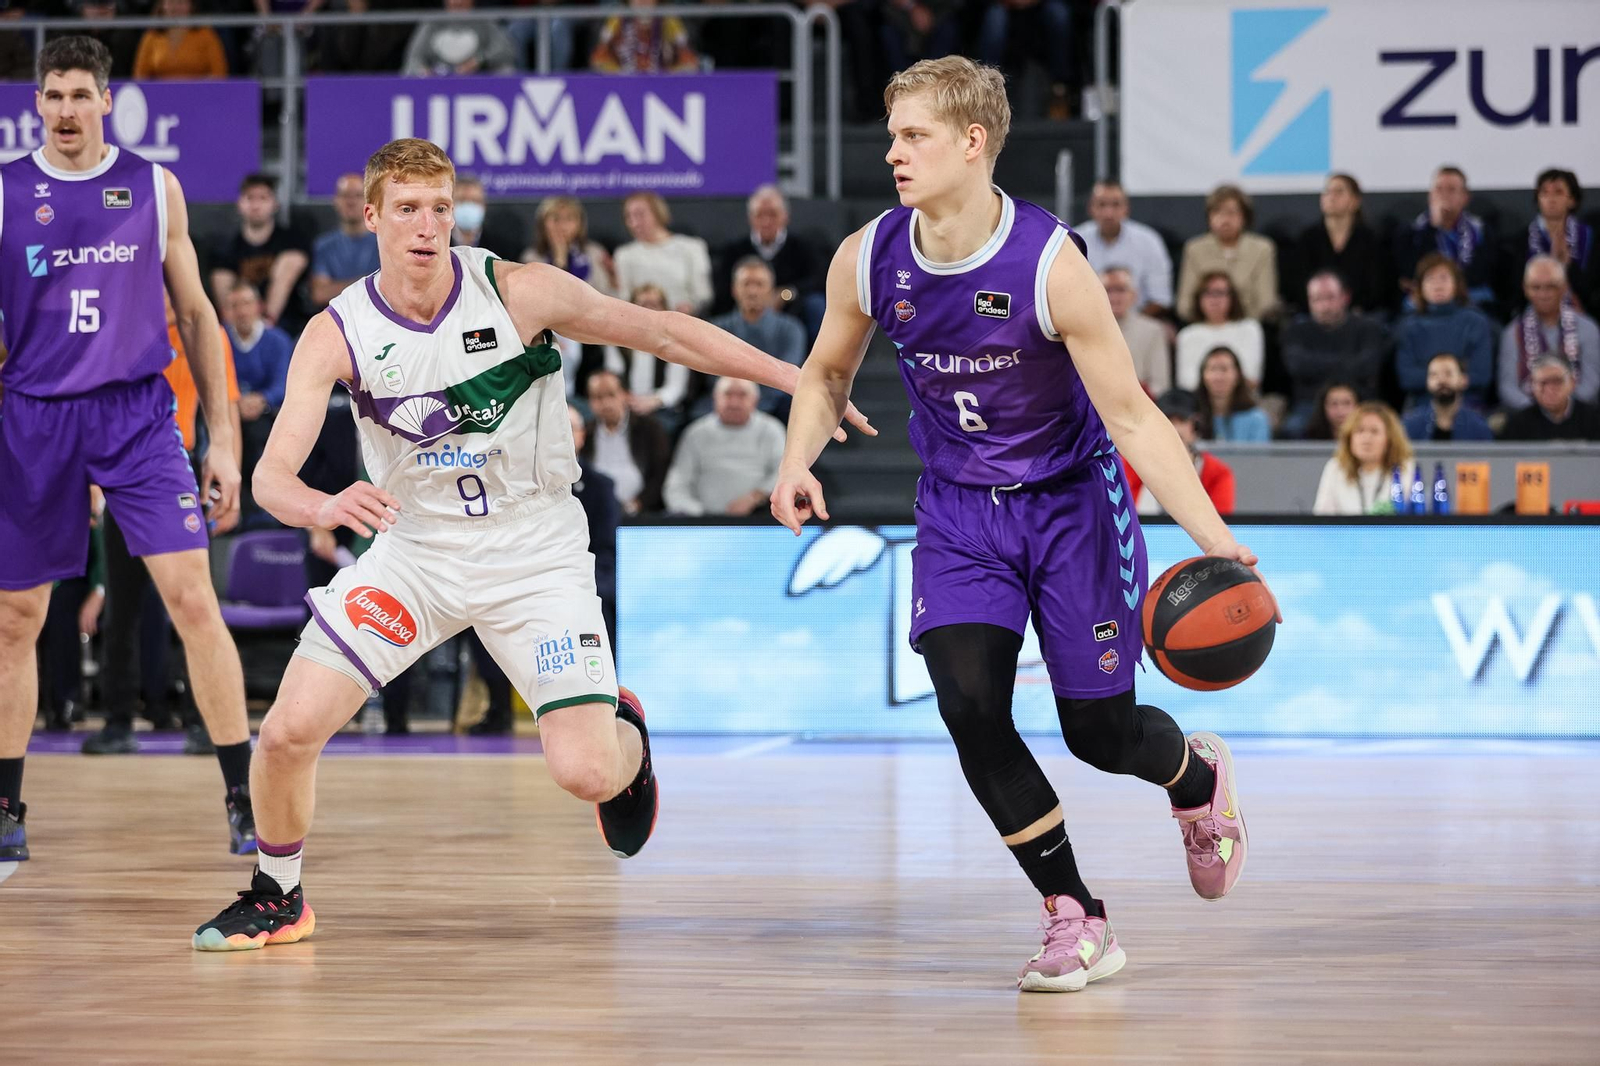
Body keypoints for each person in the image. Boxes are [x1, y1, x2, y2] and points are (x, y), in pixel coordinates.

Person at [190, 138, 871, 950]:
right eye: (406, 208)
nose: (426, 225)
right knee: (288, 731)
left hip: (534, 550)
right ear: (370, 217)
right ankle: (280, 894)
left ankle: (627, 735)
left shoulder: (516, 289)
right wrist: (322, 505)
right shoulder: (336, 332)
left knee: (584, 772)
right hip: (419, 554)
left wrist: (803, 380)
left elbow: (662, 332)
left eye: (441, 207)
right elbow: (271, 480)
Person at [770, 57, 1271, 994]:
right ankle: (1073, 914)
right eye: (891, 135)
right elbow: (826, 374)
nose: (893, 154)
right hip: (959, 514)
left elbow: (1131, 417)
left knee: (1100, 736)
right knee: (968, 707)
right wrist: (797, 458)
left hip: (1072, 506)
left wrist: (1212, 537)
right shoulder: (868, 255)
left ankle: (1197, 784)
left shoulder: (1050, 265)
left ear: (973, 142)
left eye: (913, 135)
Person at [0, 37, 255, 866]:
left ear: (107, 101)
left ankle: (244, 796)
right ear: (35, 105)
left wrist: (224, 438)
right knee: (17, 618)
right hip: (33, 413)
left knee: (191, 598)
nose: (66, 110)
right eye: (52, 96)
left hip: (137, 414)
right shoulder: (6, 194)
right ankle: (6, 809)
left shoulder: (153, 185)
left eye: (81, 95)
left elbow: (198, 318)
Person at [1278, 270, 1391, 433]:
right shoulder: (1295, 331)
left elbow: (1369, 367)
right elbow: (1297, 366)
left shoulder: (1368, 328)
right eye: (1316, 299)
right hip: (1310, 404)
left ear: (1345, 297)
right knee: (1293, 429)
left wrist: (1317, 365)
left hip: (1361, 402)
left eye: (1330, 297)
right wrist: (1349, 362)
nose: (1324, 306)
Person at [664, 377, 786, 516]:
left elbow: (783, 473)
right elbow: (677, 484)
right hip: (703, 522)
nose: (734, 403)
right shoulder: (696, 433)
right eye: (728, 394)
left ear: (755, 400)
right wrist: (698, 514)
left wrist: (755, 497)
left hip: (758, 520)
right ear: (715, 398)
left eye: (742, 395)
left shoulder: (771, 430)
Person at [210, 173, 312, 335]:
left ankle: (266, 325)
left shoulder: (293, 240)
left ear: (275, 203)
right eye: (250, 198)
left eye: (263, 198)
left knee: (288, 263)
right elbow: (224, 293)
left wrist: (265, 324)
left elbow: (287, 276)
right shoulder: (226, 248)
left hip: (285, 326)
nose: (256, 205)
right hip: (238, 330)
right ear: (240, 204)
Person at [1497, 255, 1600, 412]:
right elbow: (1508, 388)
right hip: (1528, 418)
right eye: (1536, 287)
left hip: (1578, 417)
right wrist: (1539, 414)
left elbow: (1592, 383)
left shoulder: (1587, 328)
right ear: (1525, 289)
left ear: (1564, 287)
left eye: (1550, 287)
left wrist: (1564, 410)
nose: (1543, 294)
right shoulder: (1512, 332)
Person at [1394, 254, 1495, 410]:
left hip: (1467, 404)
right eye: (1431, 279)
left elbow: (1481, 375)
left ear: (1456, 284)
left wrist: (1437, 380)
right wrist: (1452, 379)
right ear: (1420, 287)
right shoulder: (1409, 326)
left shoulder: (1476, 322)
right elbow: (1407, 378)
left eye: (1444, 278)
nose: (1438, 285)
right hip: (1421, 405)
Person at [710, 258, 807, 417]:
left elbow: (788, 373)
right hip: (728, 398)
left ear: (771, 290)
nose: (752, 291)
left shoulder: (792, 329)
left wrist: (752, 399)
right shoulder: (717, 327)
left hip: (776, 402)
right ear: (734, 289)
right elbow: (712, 371)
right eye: (746, 284)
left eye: (759, 284)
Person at [1287, 173, 1391, 315]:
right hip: (1315, 315)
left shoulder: (1370, 240)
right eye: (1327, 191)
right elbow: (1298, 285)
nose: (1331, 197)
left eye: (1339, 191)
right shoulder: (1308, 239)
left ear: (1355, 201)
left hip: (1360, 315)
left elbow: (1377, 287)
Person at [1397, 166, 1496, 312]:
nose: (1444, 195)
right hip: (1427, 297)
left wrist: (1451, 289)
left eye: (1451, 190)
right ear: (1430, 196)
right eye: (1439, 189)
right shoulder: (1412, 231)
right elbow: (1413, 272)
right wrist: (1433, 228)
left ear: (1465, 197)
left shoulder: (1480, 230)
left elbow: (1483, 272)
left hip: (1471, 294)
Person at [1176, 184, 1279, 323]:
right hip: (1204, 325)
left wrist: (1237, 324)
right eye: (1217, 212)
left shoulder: (1262, 249)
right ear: (1209, 217)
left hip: (1249, 325)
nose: (1225, 220)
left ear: (1244, 216)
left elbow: (1266, 302)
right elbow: (1184, 304)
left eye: (1232, 213)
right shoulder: (1194, 249)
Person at [1123, 390, 1234, 516]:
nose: (1174, 429)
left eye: (1182, 420)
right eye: (1167, 420)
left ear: (1196, 426)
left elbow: (1221, 524)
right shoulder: (1130, 465)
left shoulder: (1217, 472)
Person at [1077, 181, 1174, 320]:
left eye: (1116, 205)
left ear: (1126, 208)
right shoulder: (1075, 240)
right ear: (1091, 208)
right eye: (1101, 204)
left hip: (1138, 321)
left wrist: (1131, 324)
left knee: (1162, 330)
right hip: (1088, 320)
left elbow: (1161, 298)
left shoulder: (1149, 241)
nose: (1108, 213)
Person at [582, 368, 673, 515]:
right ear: (590, 402)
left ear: (625, 395)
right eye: (597, 397)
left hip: (642, 513)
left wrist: (639, 503)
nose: (605, 403)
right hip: (595, 513)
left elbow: (660, 474)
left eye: (611, 395)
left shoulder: (650, 428)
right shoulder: (585, 433)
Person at [612, 191, 713, 317]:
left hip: (685, 321)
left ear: (658, 213)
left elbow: (703, 294)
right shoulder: (624, 255)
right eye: (628, 217)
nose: (634, 223)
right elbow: (624, 298)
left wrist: (690, 307)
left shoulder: (692, 247)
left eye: (640, 215)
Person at [1311, 403, 1416, 515]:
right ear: (1349, 438)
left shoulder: (1405, 468)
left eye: (1374, 431)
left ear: (1390, 439)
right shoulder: (1336, 467)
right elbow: (1322, 518)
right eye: (1360, 431)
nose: (1366, 438)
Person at [1174, 271, 1264, 390]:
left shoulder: (1250, 328)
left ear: (1233, 297)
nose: (1214, 300)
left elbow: (1252, 377)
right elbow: (1186, 382)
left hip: (1242, 401)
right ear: (1198, 298)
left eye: (1221, 293)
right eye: (1208, 293)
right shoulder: (1187, 335)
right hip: (1198, 403)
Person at [310, 173, 381, 312]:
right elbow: (320, 294)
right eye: (345, 195)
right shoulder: (323, 245)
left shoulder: (384, 242)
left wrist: (336, 287)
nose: (351, 202)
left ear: (370, 203)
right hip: (337, 319)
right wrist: (371, 285)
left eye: (358, 196)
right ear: (335, 201)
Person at [1527, 168, 1594, 312]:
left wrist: (1568, 266)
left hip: (1583, 307)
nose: (1551, 199)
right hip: (1534, 311)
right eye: (1544, 193)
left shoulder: (1589, 236)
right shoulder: (1523, 239)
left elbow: (1592, 285)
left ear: (1572, 200)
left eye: (1558, 192)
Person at [1101, 267, 1169, 397]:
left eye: (1121, 290)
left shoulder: (1152, 330)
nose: (1114, 297)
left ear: (1134, 295)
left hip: (1141, 406)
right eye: (1108, 290)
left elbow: (1160, 385)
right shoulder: (1086, 328)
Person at [402, 0, 519, 76]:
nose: (457, 2)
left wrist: (479, 60)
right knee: (409, 73)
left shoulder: (484, 21)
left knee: (507, 71)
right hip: (438, 79)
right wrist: (424, 71)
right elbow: (414, 57)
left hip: (479, 76)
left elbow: (505, 51)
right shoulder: (432, 23)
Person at [1498, 355, 1600, 441]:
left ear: (1572, 383)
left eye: (1557, 382)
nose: (1550, 390)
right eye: (1543, 383)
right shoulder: (1518, 424)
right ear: (1532, 386)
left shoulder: (1594, 419)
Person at [1402, 353, 1493, 442]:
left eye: (1448, 373)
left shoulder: (1478, 428)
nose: (1441, 380)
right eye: (1434, 375)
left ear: (1463, 380)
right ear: (1427, 381)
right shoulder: (1410, 425)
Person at [133, 0, 228, 80]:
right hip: (161, 97)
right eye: (171, 2)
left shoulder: (206, 34)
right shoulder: (151, 36)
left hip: (199, 96)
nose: (176, 8)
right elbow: (140, 76)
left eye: (181, 2)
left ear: (191, 6)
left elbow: (219, 73)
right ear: (162, 5)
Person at [1194, 347, 1270, 443]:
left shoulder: (1257, 419)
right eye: (1213, 369)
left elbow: (1260, 456)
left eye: (1224, 369)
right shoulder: (1192, 417)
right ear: (1203, 376)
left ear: (1238, 376)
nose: (1218, 377)